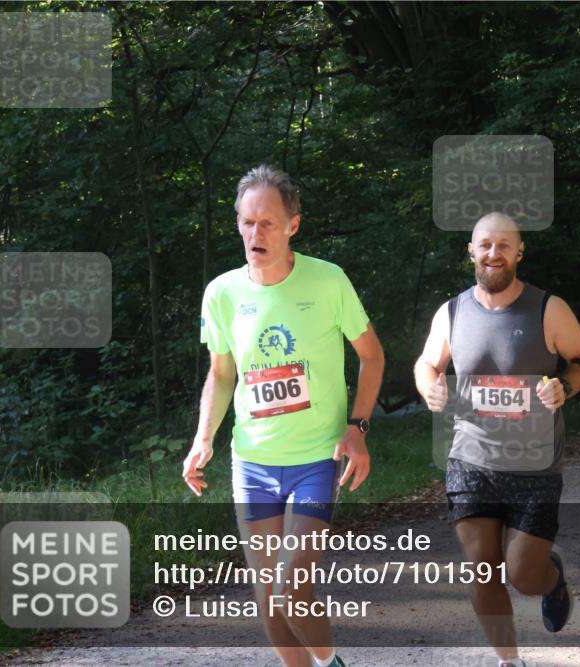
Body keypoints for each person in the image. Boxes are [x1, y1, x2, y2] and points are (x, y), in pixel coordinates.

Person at [183, 165, 384, 667]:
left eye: (268, 223)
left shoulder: (328, 280)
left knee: (292, 585)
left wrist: (357, 429)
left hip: (317, 456)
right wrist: (203, 436)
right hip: (252, 462)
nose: (256, 234)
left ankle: (331, 663)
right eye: (247, 223)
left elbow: (373, 355)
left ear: (293, 224)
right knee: (269, 597)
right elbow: (222, 373)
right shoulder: (221, 294)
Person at [413, 212, 580, 667]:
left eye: (503, 246)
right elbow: (426, 363)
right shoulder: (452, 311)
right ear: (471, 252)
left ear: (519, 252)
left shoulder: (547, 309)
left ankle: (550, 577)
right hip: (470, 460)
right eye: (484, 245)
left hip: (534, 465)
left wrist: (566, 386)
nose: (493, 253)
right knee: (482, 569)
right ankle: (509, 661)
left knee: (522, 574)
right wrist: (430, 386)